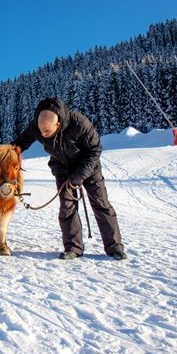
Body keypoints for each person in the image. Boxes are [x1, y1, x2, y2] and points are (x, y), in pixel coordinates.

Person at [12, 97, 127, 260]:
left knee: (101, 204)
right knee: (67, 207)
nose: (43, 135)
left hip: (89, 167)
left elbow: (95, 150)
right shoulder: (37, 127)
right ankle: (73, 247)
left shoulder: (79, 124)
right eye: (41, 131)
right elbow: (20, 143)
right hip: (62, 168)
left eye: (47, 132)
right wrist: (4, 154)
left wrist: (79, 176)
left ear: (57, 124)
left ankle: (114, 247)